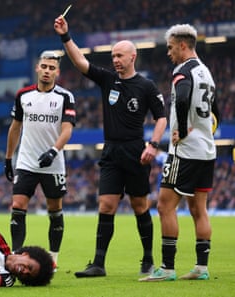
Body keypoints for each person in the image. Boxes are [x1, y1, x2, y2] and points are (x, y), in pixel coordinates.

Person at [54, 15, 167, 277]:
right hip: (111, 151)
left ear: (132, 57)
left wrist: (153, 144)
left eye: (119, 55)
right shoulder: (107, 80)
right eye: (113, 55)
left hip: (137, 151)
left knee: (140, 206)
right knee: (106, 205)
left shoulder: (147, 86)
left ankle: (148, 260)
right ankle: (98, 264)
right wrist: (65, 36)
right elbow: (80, 62)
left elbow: (161, 117)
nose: (115, 59)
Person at [140, 24, 218, 282]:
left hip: (184, 152)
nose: (169, 53)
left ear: (183, 45)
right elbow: (216, 112)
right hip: (207, 150)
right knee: (199, 209)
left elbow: (182, 98)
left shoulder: (182, 71)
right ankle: (202, 268)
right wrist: (204, 129)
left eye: (171, 47)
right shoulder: (207, 72)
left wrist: (182, 129)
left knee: (164, 205)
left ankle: (168, 268)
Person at [4, 50, 76, 269]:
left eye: (51, 68)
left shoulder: (65, 97)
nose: (47, 71)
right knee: (17, 205)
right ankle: (16, 254)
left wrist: (53, 151)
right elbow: (15, 128)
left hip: (53, 163)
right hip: (26, 161)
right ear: (37, 68)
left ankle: (53, 258)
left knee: (54, 208)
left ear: (57, 72)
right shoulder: (23, 95)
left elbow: (67, 129)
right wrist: (8, 159)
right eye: (44, 66)